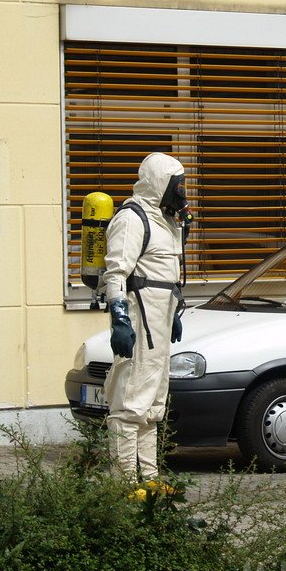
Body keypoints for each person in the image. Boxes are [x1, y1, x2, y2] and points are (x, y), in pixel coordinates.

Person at [102, 153, 191, 481]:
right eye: (177, 185)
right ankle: (124, 487)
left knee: (152, 407)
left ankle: (149, 481)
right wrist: (120, 319)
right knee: (129, 406)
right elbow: (116, 272)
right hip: (139, 321)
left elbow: (165, 273)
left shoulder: (165, 221)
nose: (181, 192)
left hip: (160, 319)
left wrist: (173, 310)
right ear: (160, 183)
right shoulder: (132, 217)